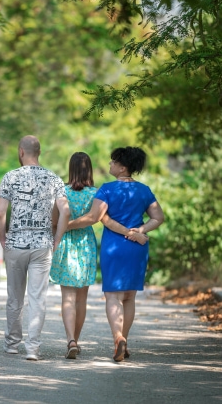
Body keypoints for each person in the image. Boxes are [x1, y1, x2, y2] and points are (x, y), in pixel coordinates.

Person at [68, 146, 164, 362]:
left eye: (113, 162)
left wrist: (65, 226)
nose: (110, 164)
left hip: (114, 246)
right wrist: (139, 231)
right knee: (130, 297)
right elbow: (158, 217)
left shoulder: (107, 189)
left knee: (113, 296)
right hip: (137, 247)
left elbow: (97, 217)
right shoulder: (144, 190)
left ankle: (117, 338)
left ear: (122, 167)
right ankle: (125, 340)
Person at [50, 152, 145, 359]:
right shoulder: (97, 192)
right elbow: (101, 219)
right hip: (86, 245)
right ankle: (79, 338)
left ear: (70, 168)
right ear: (89, 170)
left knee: (67, 296)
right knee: (81, 298)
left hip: (66, 244)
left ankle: (70, 341)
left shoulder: (62, 192)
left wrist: (60, 230)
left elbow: (54, 221)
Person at [0, 135, 70, 361]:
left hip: (16, 244)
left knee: (14, 297)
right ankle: (33, 349)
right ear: (39, 152)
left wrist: (2, 239)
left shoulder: (10, 176)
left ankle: (11, 344)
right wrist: (56, 239)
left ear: (21, 152)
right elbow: (65, 212)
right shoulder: (54, 178)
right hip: (42, 245)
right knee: (38, 297)